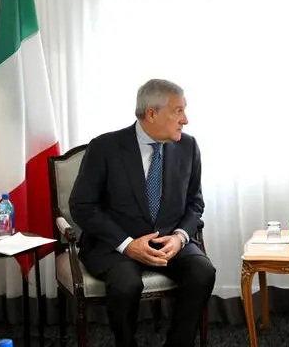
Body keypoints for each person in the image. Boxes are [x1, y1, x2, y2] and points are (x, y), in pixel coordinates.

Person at [70, 79, 216, 347]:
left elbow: (195, 202)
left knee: (202, 272)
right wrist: (127, 245)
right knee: (126, 285)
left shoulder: (188, 146)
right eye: (178, 111)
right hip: (116, 243)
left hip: (168, 240)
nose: (185, 120)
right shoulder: (105, 147)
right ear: (152, 113)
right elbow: (82, 206)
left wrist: (180, 237)